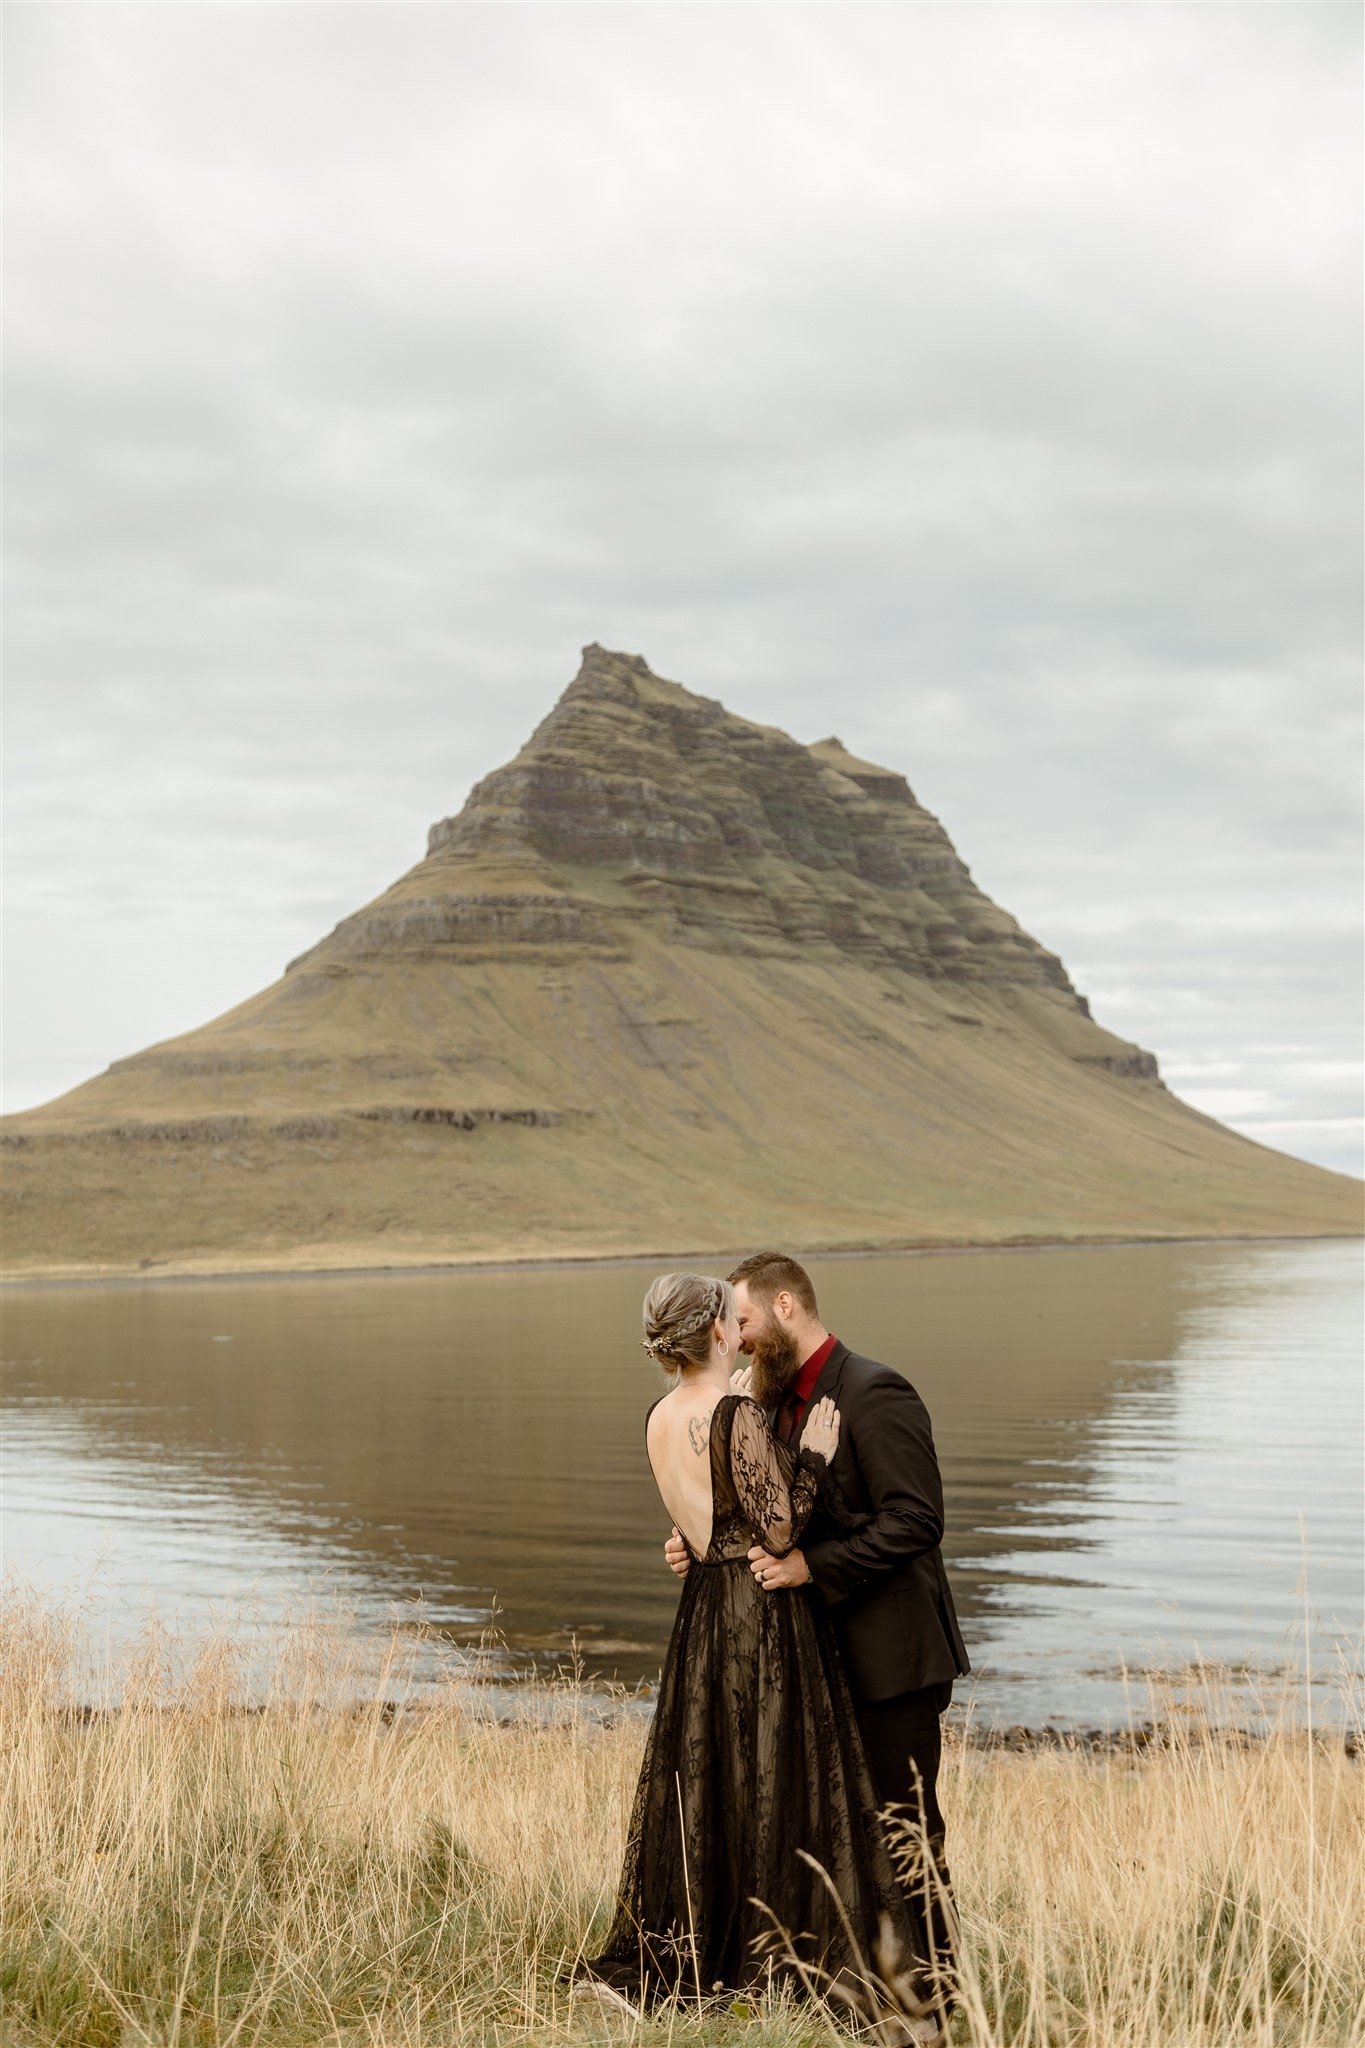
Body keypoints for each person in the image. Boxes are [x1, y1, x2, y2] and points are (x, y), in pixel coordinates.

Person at [578, 1271, 937, 2038]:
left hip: (704, 1617)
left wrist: (694, 1542)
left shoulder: (659, 1413)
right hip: (758, 1617)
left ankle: (722, 1954)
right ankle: (805, 1968)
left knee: (721, 1782)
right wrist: (809, 1458)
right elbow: (776, 1531)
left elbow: (708, 1513)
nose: (738, 1334)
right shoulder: (738, 1409)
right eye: (728, 1321)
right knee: (781, 1782)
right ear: (713, 1330)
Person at [664, 1251, 970, 2036]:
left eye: (744, 1318)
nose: (735, 1332)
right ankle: (862, 2004)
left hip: (891, 1659)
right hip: (815, 1662)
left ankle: (935, 2009)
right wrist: (697, 1544)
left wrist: (811, 1565)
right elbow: (760, 1508)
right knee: (838, 1837)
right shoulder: (762, 1399)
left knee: (905, 1834)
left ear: (785, 1307)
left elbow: (915, 1520)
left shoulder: (873, 1390)